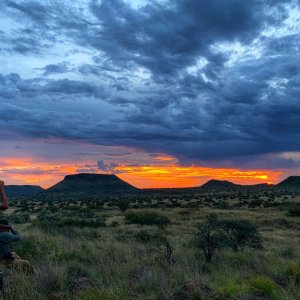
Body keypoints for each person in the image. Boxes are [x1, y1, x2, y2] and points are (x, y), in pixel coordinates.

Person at [0, 181, 34, 274]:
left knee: (14, 254)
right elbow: (5, 205)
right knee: (26, 263)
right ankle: (32, 275)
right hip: (4, 262)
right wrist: (1, 187)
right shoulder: (4, 235)